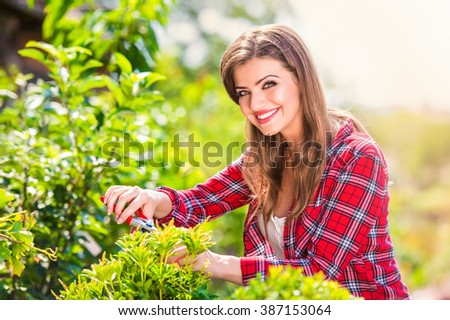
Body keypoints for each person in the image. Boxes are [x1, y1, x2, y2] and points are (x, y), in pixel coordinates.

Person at [102, 24, 409, 300]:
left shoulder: (356, 156)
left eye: (269, 84)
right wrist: (150, 199)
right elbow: (197, 203)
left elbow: (319, 273)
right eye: (244, 92)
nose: (255, 104)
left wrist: (215, 262)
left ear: (301, 80)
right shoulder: (262, 159)